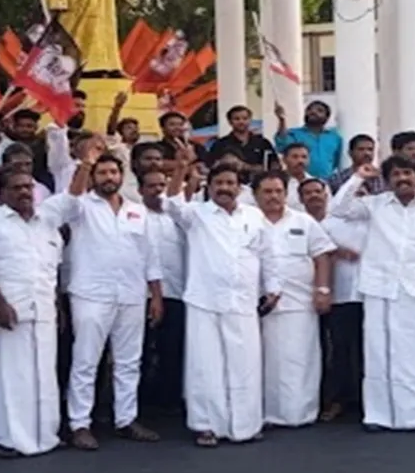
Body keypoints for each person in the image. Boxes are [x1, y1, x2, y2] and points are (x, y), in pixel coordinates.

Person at [330, 156, 415, 433]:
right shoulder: (375, 205)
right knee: (381, 353)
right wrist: (359, 177)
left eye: (407, 173)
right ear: (387, 181)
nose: (402, 178)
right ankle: (380, 416)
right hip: (381, 290)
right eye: (396, 174)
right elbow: (338, 209)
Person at [55, 146, 164, 450]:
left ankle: (126, 419)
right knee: (86, 360)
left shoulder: (137, 209)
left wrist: (155, 295)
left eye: (113, 172)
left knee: (130, 361)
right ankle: (79, 423)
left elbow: (150, 254)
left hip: (131, 293)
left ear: (122, 175)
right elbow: (70, 199)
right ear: (94, 177)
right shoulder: (82, 206)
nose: (108, 177)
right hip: (91, 293)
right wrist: (84, 165)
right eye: (101, 172)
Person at [165, 154, 276, 447]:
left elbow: (267, 254)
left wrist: (273, 287)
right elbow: (172, 203)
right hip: (205, 300)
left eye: (230, 183)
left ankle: (246, 425)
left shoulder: (253, 216)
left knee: (246, 364)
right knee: (205, 365)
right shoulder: (197, 215)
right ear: (209, 187)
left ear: (240, 188)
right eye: (218, 183)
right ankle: (206, 425)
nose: (224, 188)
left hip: (243, 300)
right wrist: (180, 168)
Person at [0, 167, 66, 457]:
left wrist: (59, 306)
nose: (24, 192)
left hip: (44, 308)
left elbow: (53, 270)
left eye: (28, 187)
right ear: (1, 193)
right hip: (9, 310)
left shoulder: (46, 224)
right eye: (16, 187)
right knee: (10, 377)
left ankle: (44, 434)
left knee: (44, 375)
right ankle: (6, 438)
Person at [252, 172, 335, 427]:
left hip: (300, 303)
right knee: (263, 362)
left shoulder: (303, 221)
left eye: (278, 191)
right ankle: (265, 413)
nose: (273, 196)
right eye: (267, 192)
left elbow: (322, 255)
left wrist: (322, 290)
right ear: (256, 195)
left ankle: (300, 413)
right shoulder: (248, 221)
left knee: (300, 360)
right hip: (258, 305)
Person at [313, 178, 367, 423]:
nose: (360, 196)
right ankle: (337, 400)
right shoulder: (328, 222)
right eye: (355, 191)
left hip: (371, 294)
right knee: (341, 350)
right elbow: (319, 251)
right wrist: (337, 251)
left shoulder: (375, 221)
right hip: (342, 295)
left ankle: (367, 399)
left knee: (369, 350)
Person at [137, 169, 187, 413]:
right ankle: (139, 403)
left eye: (161, 185)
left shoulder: (177, 218)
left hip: (176, 291)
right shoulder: (135, 217)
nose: (157, 190)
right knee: (142, 350)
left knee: (173, 349)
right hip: (143, 294)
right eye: (151, 186)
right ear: (140, 190)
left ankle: (170, 402)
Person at [274, 100, 343, 179]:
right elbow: (283, 145)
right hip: (299, 180)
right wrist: (282, 120)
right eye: (309, 110)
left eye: (319, 110)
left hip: (326, 182)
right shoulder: (294, 133)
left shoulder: (334, 137)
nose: (313, 112)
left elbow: (335, 162)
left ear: (327, 117)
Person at [210, 106, 276, 171]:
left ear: (250, 120)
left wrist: (244, 166)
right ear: (229, 121)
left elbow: (273, 166)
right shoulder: (220, 144)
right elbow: (211, 166)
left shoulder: (263, 143)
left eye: (245, 118)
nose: (241, 122)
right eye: (237, 119)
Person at [281, 143, 311, 211]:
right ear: (284, 159)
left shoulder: (318, 184)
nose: (300, 161)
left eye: (304, 157)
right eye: (295, 157)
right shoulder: (274, 183)